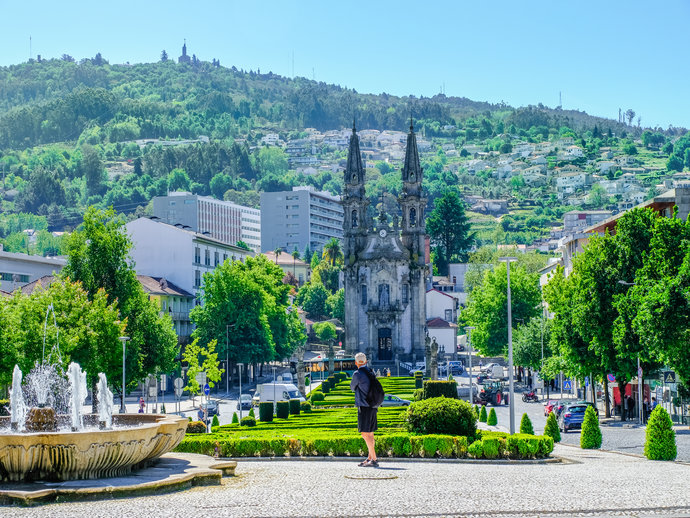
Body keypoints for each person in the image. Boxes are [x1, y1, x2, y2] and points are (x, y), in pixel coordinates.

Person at [350, 352, 378, 468]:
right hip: (373, 406)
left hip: (364, 407)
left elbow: (352, 387)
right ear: (366, 362)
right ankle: (370, 458)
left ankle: (374, 459)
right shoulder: (371, 372)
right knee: (370, 434)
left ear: (356, 363)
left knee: (364, 434)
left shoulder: (357, 374)